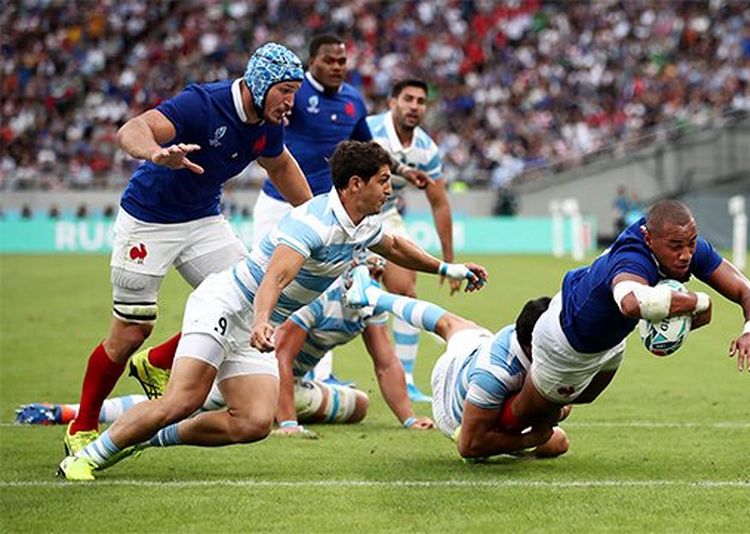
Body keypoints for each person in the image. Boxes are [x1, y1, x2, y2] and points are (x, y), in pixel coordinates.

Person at [57, 140, 487, 481]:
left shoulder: (364, 223)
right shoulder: (313, 222)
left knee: (253, 422)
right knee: (183, 399)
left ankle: (145, 438)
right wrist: (263, 322)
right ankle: (86, 458)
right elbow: (273, 280)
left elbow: (394, 247)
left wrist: (447, 267)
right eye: (382, 180)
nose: (389, 188)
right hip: (227, 304)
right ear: (355, 184)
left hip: (255, 323)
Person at [62, 42, 313, 456]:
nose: (291, 101)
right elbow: (132, 130)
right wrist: (156, 154)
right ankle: (83, 427)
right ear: (260, 82)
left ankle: (157, 361)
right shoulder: (202, 104)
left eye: (295, 91)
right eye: (285, 89)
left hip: (202, 221)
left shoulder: (270, 121)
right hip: (148, 219)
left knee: (248, 299)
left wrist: (313, 218)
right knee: (130, 332)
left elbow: (281, 164)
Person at [18, 258, 435, 436]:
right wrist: (288, 423)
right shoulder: (320, 297)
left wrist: (407, 421)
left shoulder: (368, 305)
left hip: (293, 383)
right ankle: (68, 412)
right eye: (375, 262)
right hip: (260, 369)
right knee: (187, 400)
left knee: (358, 405)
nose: (381, 269)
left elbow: (385, 365)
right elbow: (283, 356)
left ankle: (274, 410)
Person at [251, 35, 429, 386]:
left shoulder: (352, 100)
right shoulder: (294, 94)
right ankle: (260, 369)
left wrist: (403, 171)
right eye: (330, 61)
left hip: (327, 211)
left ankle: (317, 375)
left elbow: (370, 147)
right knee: (270, 283)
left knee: (324, 290)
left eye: (342, 61)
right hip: (278, 204)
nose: (337, 67)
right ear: (311, 62)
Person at [503, 200, 750, 434]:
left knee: (584, 398)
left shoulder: (682, 243)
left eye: (692, 243)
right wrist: (700, 301)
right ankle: (481, 428)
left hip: (610, 336)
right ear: (648, 238)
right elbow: (631, 303)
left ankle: (535, 399)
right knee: (528, 418)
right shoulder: (632, 257)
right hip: (566, 341)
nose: (686, 254)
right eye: (676, 246)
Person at [344, 265, 568, 460]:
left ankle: (371, 294)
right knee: (554, 438)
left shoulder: (530, 331)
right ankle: (371, 295)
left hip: (479, 358)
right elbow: (468, 445)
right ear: (533, 344)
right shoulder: (493, 374)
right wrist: (529, 440)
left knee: (451, 323)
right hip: (451, 403)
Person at [366, 79, 455, 402]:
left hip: (385, 216)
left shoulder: (427, 150)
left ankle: (405, 380)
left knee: (405, 289)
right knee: (327, 293)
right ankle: (320, 375)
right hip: (346, 211)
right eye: (408, 99)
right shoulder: (367, 129)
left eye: (421, 100)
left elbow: (440, 202)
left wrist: (449, 261)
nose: (414, 106)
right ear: (392, 102)